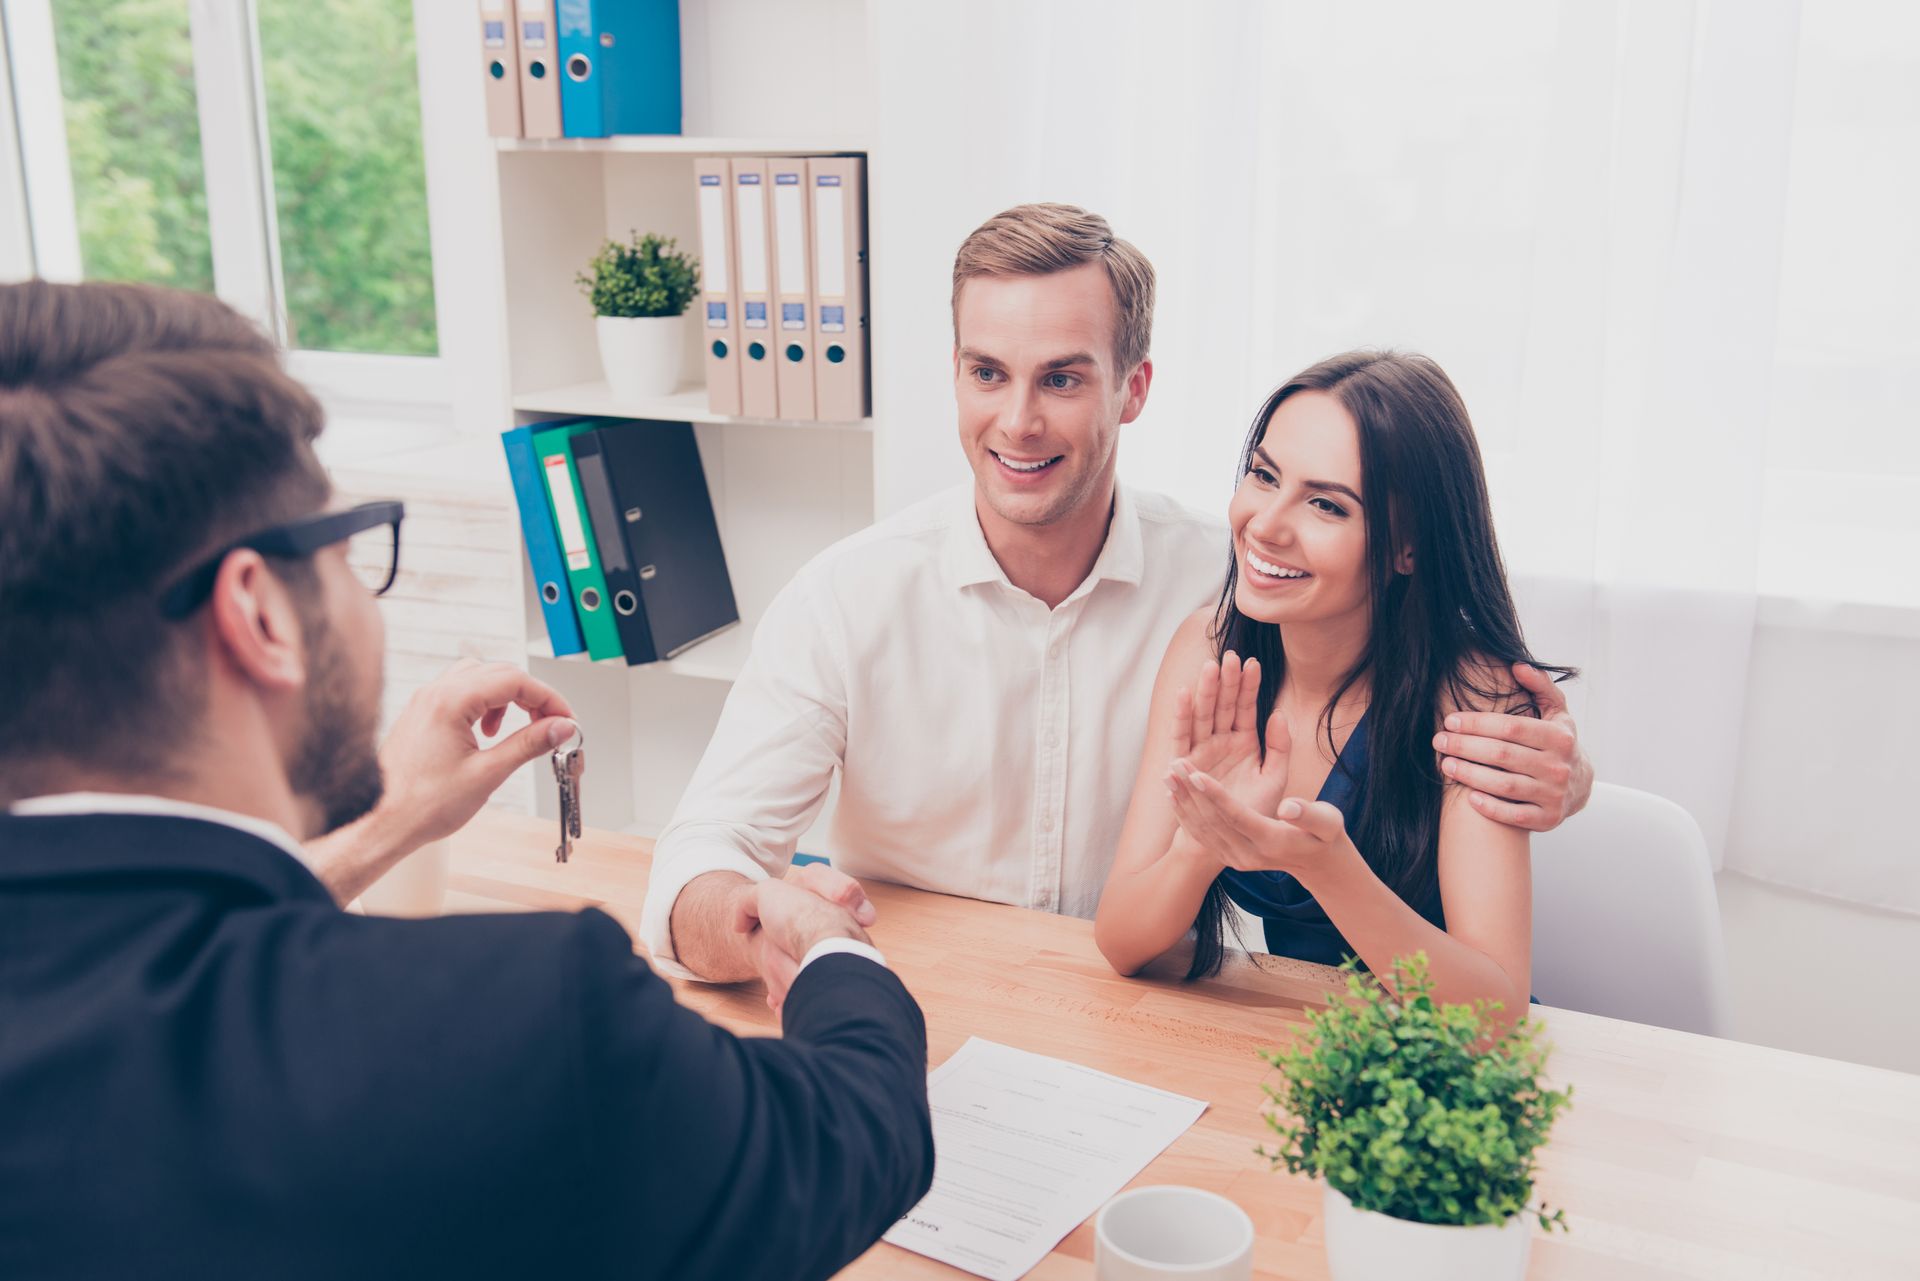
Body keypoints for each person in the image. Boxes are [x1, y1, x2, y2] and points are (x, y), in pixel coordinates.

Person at [0, 280, 933, 1281]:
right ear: (260, 614)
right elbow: (846, 1137)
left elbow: (140, 971)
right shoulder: (523, 1023)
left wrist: (388, 823)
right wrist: (838, 957)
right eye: (344, 546)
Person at [642, 204, 1593, 996]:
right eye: (988, 373)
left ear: (1133, 389)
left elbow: (1442, 715)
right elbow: (705, 847)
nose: (1017, 421)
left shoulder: (1228, 590)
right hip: (942, 993)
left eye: (1061, 377)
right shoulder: (850, 598)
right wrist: (761, 916)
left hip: (1183, 1029)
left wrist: (1570, 783)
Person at [1095, 351, 1566, 1021]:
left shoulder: (1471, 697)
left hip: (1434, 1068)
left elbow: (1496, 1016)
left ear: (1408, 547)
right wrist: (1199, 846)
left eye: (1325, 504)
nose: (1265, 524)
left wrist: (1330, 870)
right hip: (1294, 1041)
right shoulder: (1210, 646)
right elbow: (1120, 938)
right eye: (1263, 475)